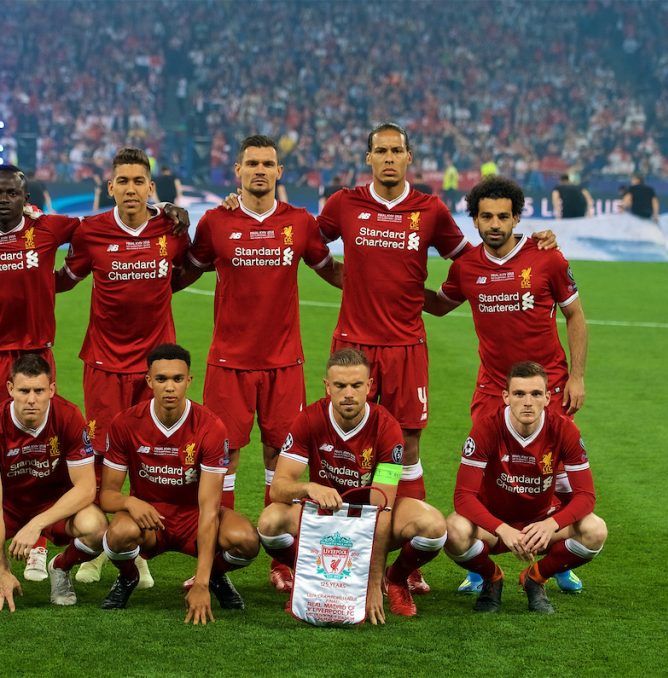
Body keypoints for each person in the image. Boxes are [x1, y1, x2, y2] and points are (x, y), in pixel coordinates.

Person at [316, 122, 555, 592]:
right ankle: (348, 547)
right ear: (368, 157)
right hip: (354, 346)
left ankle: (411, 557)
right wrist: (343, 278)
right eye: (380, 151)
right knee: (347, 444)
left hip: (406, 343)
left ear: (409, 157)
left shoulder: (430, 210)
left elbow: (473, 259)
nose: (388, 157)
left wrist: (533, 244)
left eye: (396, 151)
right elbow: (306, 243)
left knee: (405, 446)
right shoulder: (344, 204)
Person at [175, 135, 342, 592]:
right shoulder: (215, 222)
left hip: (284, 363)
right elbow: (185, 269)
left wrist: (382, 284)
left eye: (268, 164)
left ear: (279, 172)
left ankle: (282, 559)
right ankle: (219, 554)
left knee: (281, 457)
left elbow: (332, 270)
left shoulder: (300, 222)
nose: (260, 171)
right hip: (228, 362)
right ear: (238, 171)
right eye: (252, 164)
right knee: (223, 458)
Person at [424, 176, 588, 594]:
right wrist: (393, 284)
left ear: (517, 217)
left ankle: (558, 559)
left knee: (559, 477)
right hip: (493, 390)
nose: (495, 224)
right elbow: (440, 305)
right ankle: (480, 567)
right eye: (486, 216)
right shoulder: (466, 267)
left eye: (503, 216)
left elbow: (575, 316)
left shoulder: (547, 257)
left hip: (545, 387)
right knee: (491, 479)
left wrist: (578, 376)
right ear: (474, 220)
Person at [56, 147, 191, 584]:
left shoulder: (170, 229)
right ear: (109, 187)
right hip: (104, 363)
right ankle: (99, 547)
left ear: (150, 187)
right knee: (100, 458)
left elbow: (188, 271)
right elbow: (65, 280)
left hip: (155, 367)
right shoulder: (91, 232)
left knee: (148, 457)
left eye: (139, 181)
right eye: (123, 181)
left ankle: (139, 549)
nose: (130, 189)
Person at [0, 165, 80, 582]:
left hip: (34, 354)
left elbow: (95, 231)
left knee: (40, 449)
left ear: (26, 198)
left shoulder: (48, 230)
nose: (4, 199)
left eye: (12, 193)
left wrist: (161, 206)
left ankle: (37, 543)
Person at [257, 349, 447, 621]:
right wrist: (309, 488)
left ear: (369, 386)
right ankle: (307, 576)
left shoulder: (387, 427)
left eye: (356, 385)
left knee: (434, 527)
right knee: (270, 521)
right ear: (327, 387)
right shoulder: (309, 419)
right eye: (340, 385)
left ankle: (395, 579)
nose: (348, 393)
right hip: (325, 517)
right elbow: (279, 487)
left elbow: (382, 506)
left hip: (370, 518)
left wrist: (373, 583)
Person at [99, 344, 260, 622]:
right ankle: (128, 578)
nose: (170, 387)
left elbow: (210, 508)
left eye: (177, 379)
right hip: (151, 520)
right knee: (117, 534)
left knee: (246, 540)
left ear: (189, 381)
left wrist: (200, 582)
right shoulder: (125, 423)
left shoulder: (210, 426)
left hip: (194, 517)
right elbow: (107, 495)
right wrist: (129, 502)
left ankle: (214, 577)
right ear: (149, 381)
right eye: (161, 379)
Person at [0, 354, 106, 611]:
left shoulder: (69, 416)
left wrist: (36, 524)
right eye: (24, 390)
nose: (31, 399)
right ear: (10, 389)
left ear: (51, 390)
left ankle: (61, 567)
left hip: (52, 502)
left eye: (39, 390)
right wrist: (1, 567)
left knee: (96, 528)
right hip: (6, 504)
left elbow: (85, 489)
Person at [444, 361, 607, 614]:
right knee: (453, 530)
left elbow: (586, 496)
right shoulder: (487, 427)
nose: (527, 402)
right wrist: (502, 529)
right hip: (495, 526)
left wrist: (550, 524)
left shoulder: (564, 429)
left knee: (595, 530)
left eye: (535, 394)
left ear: (547, 397)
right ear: (506, 397)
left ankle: (536, 577)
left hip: (541, 524)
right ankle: (492, 577)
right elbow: (463, 496)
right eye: (519, 394)